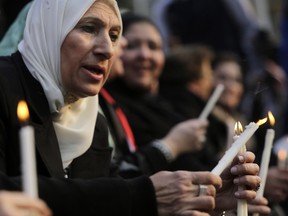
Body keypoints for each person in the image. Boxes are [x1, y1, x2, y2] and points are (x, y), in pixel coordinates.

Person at [0, 1, 263, 216]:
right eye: (89, 28)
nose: (107, 49)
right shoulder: (4, 86)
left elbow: (106, 200)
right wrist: (146, 194)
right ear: (49, 30)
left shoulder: (91, 119)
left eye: (114, 36)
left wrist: (206, 194)